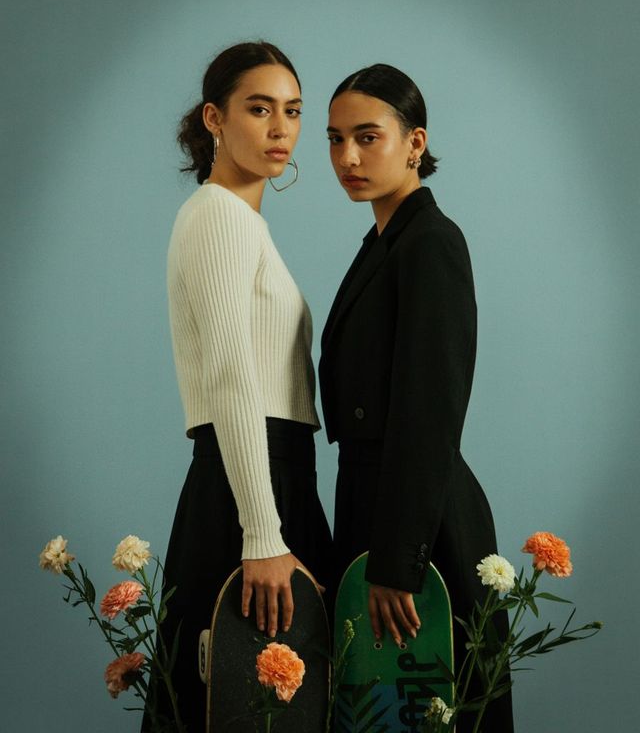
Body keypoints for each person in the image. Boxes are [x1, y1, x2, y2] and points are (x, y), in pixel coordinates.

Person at [319, 64, 514, 731]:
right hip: (377, 505)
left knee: (431, 711)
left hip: (419, 528)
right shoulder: (381, 243)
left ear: (413, 142)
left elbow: (431, 410)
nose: (348, 156)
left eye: (367, 137)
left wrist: (399, 562)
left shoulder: (430, 242)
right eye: (335, 139)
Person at [144, 42, 332, 732]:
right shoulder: (218, 215)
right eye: (260, 109)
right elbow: (228, 376)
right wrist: (262, 533)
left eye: (293, 111)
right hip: (249, 490)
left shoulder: (242, 221)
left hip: (270, 482)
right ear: (215, 119)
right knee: (237, 710)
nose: (280, 127)